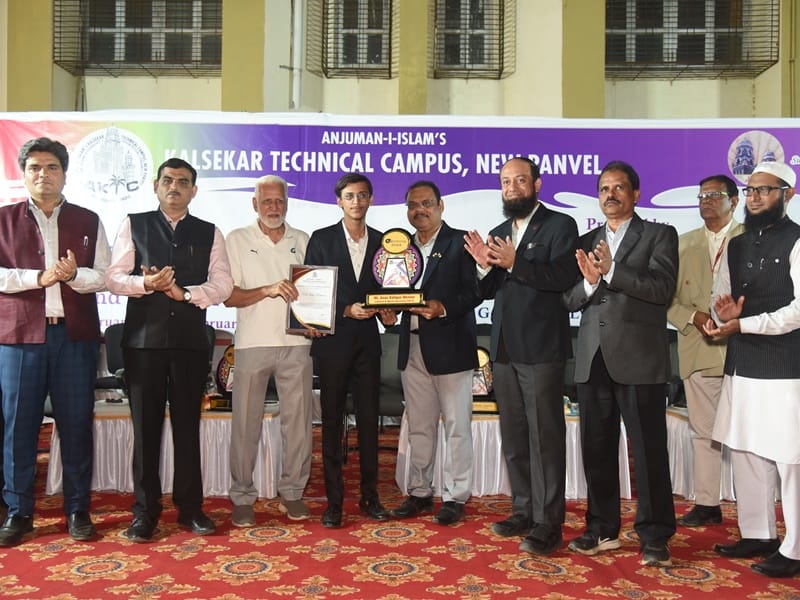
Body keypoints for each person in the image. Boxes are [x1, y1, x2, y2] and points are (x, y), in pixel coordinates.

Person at [105, 157, 233, 542]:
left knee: (187, 428)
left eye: (182, 181)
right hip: (143, 345)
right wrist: (146, 285)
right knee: (146, 431)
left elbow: (223, 285)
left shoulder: (210, 232)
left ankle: (190, 508)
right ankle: (145, 513)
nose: (174, 187)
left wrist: (185, 293)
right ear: (155, 186)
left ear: (194, 190)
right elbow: (113, 278)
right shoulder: (134, 224)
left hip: (190, 344)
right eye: (167, 180)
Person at [563, 160, 678, 567]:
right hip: (593, 359)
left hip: (640, 359)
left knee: (648, 452)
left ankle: (655, 536)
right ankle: (602, 528)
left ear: (635, 194)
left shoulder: (660, 235)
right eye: (604, 189)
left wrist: (612, 271)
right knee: (596, 450)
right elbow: (569, 299)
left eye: (618, 188)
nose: (610, 195)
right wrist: (591, 282)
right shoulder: (586, 240)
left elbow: (661, 289)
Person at [463, 157, 579, 555]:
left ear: (537, 184)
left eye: (520, 180)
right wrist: (483, 267)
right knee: (514, 436)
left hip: (542, 347)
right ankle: (524, 510)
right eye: (505, 182)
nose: (512, 188)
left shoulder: (560, 226)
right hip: (504, 350)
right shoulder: (498, 233)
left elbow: (563, 278)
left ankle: (549, 523)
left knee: (545, 437)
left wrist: (517, 263)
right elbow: (486, 291)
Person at [0, 137, 110, 546]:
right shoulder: (4, 219)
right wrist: (39, 278)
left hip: (75, 338)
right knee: (18, 427)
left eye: (51, 167)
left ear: (65, 174)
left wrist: (73, 275)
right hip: (19, 339)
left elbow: (105, 276)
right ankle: (18, 512)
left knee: (77, 423)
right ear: (23, 174)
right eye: (34, 168)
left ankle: (78, 509)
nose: (43, 175)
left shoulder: (87, 219)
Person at [704, 161, 800, 578]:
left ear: (787, 195)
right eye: (751, 190)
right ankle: (758, 533)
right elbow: (720, 298)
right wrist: (723, 314)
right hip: (742, 363)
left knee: (790, 458)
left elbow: (798, 311)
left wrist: (745, 324)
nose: (755, 197)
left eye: (765, 190)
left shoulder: (797, 240)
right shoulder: (738, 244)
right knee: (745, 449)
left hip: (786, 367)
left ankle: (795, 548)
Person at [304, 172, 396, 528]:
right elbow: (311, 293)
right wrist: (345, 310)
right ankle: (334, 503)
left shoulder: (386, 243)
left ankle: (370, 497)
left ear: (371, 199)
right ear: (338, 201)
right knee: (330, 423)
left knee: (370, 422)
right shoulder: (321, 239)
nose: (356, 201)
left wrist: (389, 312)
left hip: (368, 344)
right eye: (349, 196)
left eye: (362, 195)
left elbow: (389, 290)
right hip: (332, 344)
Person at [224, 175, 313, 526]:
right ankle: (242, 496)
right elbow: (228, 296)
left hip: (297, 344)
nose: (274, 207)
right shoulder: (236, 239)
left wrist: (315, 322)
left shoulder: (303, 240)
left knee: (299, 425)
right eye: (267, 201)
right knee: (245, 425)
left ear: (287, 203)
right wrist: (268, 290)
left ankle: (293, 492)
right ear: (255, 204)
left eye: (279, 201)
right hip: (252, 343)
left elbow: (315, 293)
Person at [391, 181, 481, 526]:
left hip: (451, 346)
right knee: (419, 426)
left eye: (426, 203)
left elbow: (475, 292)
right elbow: (392, 292)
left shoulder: (460, 243)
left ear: (441, 205)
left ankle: (456, 496)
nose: (420, 210)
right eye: (413, 205)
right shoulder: (398, 248)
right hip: (412, 346)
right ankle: (419, 491)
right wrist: (387, 310)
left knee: (457, 426)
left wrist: (443, 308)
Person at [667, 175, 742, 527]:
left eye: (715, 194)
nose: (706, 200)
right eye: (701, 195)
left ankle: (756, 510)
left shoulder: (751, 240)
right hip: (699, 347)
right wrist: (693, 317)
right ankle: (708, 503)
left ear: (734, 201)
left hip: (747, 348)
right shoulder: (682, 244)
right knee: (704, 432)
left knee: (751, 434)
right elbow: (666, 299)